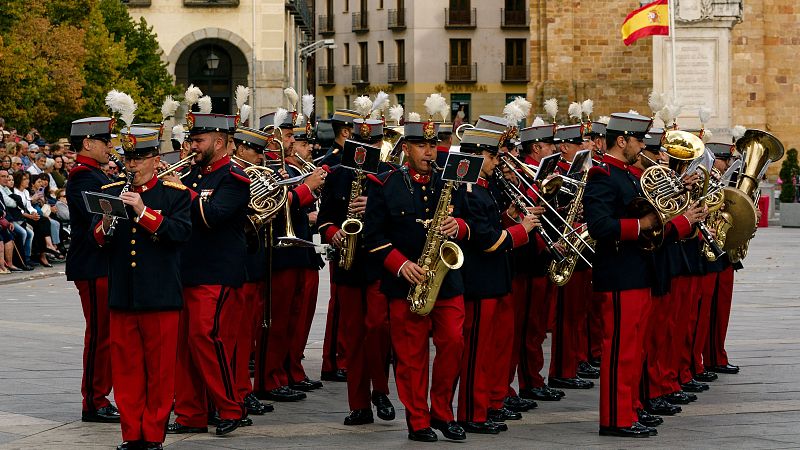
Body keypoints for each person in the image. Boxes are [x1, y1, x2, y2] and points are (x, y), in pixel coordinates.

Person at [363, 120, 470, 442]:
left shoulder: (448, 181)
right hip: (406, 281)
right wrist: (401, 265)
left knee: (453, 343)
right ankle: (418, 420)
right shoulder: (385, 184)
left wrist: (458, 227)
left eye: (432, 144)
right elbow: (373, 237)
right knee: (411, 357)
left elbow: (468, 221)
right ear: (406, 148)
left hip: (446, 279)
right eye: (421, 146)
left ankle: (443, 412)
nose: (429, 151)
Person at [91, 127, 192, 450]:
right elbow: (99, 239)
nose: (131, 166)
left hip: (160, 295)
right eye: (128, 159)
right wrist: (107, 222)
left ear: (155, 160)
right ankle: (131, 433)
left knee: (160, 373)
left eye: (138, 159)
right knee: (127, 370)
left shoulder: (174, 194)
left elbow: (179, 233)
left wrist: (142, 211)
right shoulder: (111, 191)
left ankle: (152, 435)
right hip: (124, 294)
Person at [165, 112, 249, 437]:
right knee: (184, 345)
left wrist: (181, 192)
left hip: (217, 271)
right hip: (186, 270)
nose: (192, 146)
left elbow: (211, 216)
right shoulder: (192, 175)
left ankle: (230, 407)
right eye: (192, 140)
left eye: (198, 141)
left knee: (204, 337)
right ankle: (190, 414)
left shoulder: (234, 178)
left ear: (218, 141)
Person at [456, 127, 541, 434]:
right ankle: (471, 413)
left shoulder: (483, 188)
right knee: (477, 353)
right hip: (480, 281)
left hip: (495, 280)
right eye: (491, 156)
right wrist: (523, 230)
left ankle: (489, 404)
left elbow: (492, 226)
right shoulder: (468, 190)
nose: (495, 162)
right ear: (476, 155)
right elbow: (485, 240)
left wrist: (511, 217)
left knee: (492, 350)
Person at [582, 112, 659, 438]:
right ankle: (614, 418)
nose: (643, 146)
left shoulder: (628, 175)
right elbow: (599, 226)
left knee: (634, 349)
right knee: (619, 351)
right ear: (622, 140)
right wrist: (641, 225)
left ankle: (629, 410)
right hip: (617, 273)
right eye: (639, 140)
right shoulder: (603, 175)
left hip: (637, 272)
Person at [317, 133, 395, 426]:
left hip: (378, 263)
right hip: (348, 265)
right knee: (353, 336)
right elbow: (324, 219)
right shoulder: (337, 175)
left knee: (377, 327)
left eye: (374, 144)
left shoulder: (389, 176)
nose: (369, 150)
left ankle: (381, 390)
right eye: (364, 144)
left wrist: (373, 207)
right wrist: (332, 232)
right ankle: (359, 404)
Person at [253, 115, 325, 402]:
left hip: (295, 249)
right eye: (287, 136)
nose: (292, 142)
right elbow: (275, 206)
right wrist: (305, 189)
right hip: (276, 253)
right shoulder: (264, 168)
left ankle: (284, 372)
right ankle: (270, 378)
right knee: (276, 320)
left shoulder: (283, 168)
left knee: (290, 320)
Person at [65, 116, 119, 423]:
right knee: (100, 336)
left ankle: (100, 396)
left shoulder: (95, 174)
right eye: (105, 142)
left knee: (107, 335)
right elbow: (97, 220)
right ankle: (94, 401)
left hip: (102, 264)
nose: (110, 147)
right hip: (93, 263)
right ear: (88, 143)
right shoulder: (83, 176)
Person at [227, 126, 274, 417]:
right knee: (238, 337)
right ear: (240, 148)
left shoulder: (251, 174)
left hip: (254, 260)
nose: (260, 157)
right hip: (238, 263)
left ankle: (242, 390)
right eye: (256, 151)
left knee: (247, 337)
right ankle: (239, 392)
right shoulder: (234, 176)